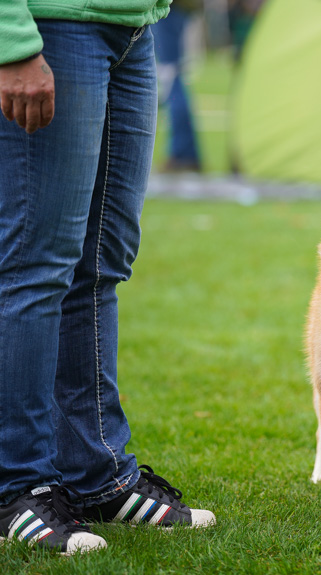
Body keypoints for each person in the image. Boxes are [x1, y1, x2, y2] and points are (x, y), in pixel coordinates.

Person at [0, 1, 215, 556]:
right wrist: (12, 40)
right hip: (54, 27)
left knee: (100, 266)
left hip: (135, 29)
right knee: (35, 267)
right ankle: (17, 486)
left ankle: (96, 476)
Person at [152, 0, 202, 172]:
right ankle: (183, 152)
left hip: (169, 7)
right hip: (176, 7)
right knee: (172, 75)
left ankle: (183, 153)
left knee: (171, 75)